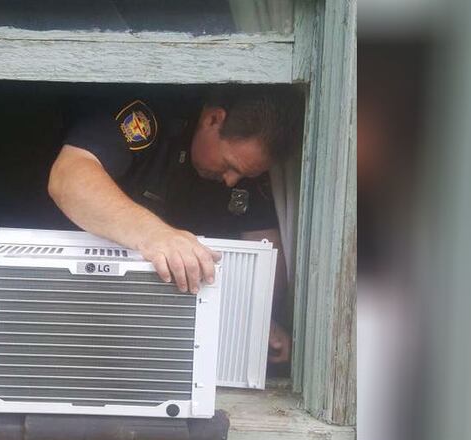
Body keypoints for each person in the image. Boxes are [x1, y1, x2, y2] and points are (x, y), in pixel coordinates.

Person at [48, 86, 301, 364]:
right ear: (213, 119)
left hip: (181, 342)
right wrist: (155, 235)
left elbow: (263, 244)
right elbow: (68, 178)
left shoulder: (245, 165)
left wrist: (258, 321)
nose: (231, 181)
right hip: (86, 304)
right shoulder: (149, 116)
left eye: (244, 175)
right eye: (230, 165)